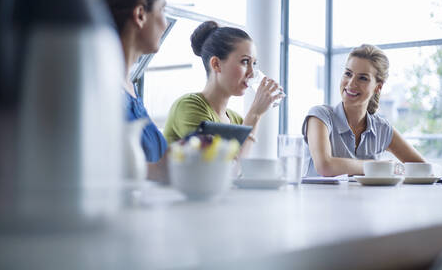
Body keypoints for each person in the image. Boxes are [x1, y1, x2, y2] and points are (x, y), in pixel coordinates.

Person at [89, 0, 168, 182]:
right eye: (162, 10)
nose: (165, 22)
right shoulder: (94, 86)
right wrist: (160, 170)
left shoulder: (129, 88)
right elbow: (91, 167)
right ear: (141, 14)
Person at [163, 20, 283, 157]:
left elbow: (239, 172)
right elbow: (224, 167)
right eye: (245, 61)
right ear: (216, 64)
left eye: (254, 64)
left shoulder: (236, 120)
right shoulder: (188, 106)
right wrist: (255, 113)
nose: (252, 72)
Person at [302, 44, 425, 177]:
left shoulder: (381, 128)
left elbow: (423, 168)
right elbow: (325, 166)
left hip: (366, 198)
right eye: (348, 74)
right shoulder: (320, 116)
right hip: (318, 198)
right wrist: (377, 166)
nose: (351, 83)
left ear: (378, 87)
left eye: (363, 78)